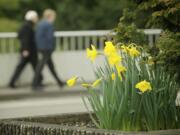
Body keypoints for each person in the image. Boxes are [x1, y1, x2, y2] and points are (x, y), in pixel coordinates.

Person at [9, 10, 42, 88]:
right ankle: (38, 82)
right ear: (32, 18)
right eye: (36, 17)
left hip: (28, 50)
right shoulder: (27, 26)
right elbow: (25, 39)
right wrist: (25, 49)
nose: (37, 19)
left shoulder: (26, 25)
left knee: (32, 66)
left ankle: (39, 81)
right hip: (29, 51)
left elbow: (19, 36)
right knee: (34, 66)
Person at [32, 9, 65, 89]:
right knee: (41, 66)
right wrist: (52, 47)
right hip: (47, 48)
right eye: (54, 16)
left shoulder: (40, 24)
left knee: (50, 66)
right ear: (50, 16)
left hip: (41, 47)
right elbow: (50, 38)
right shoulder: (49, 24)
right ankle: (34, 84)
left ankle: (59, 82)